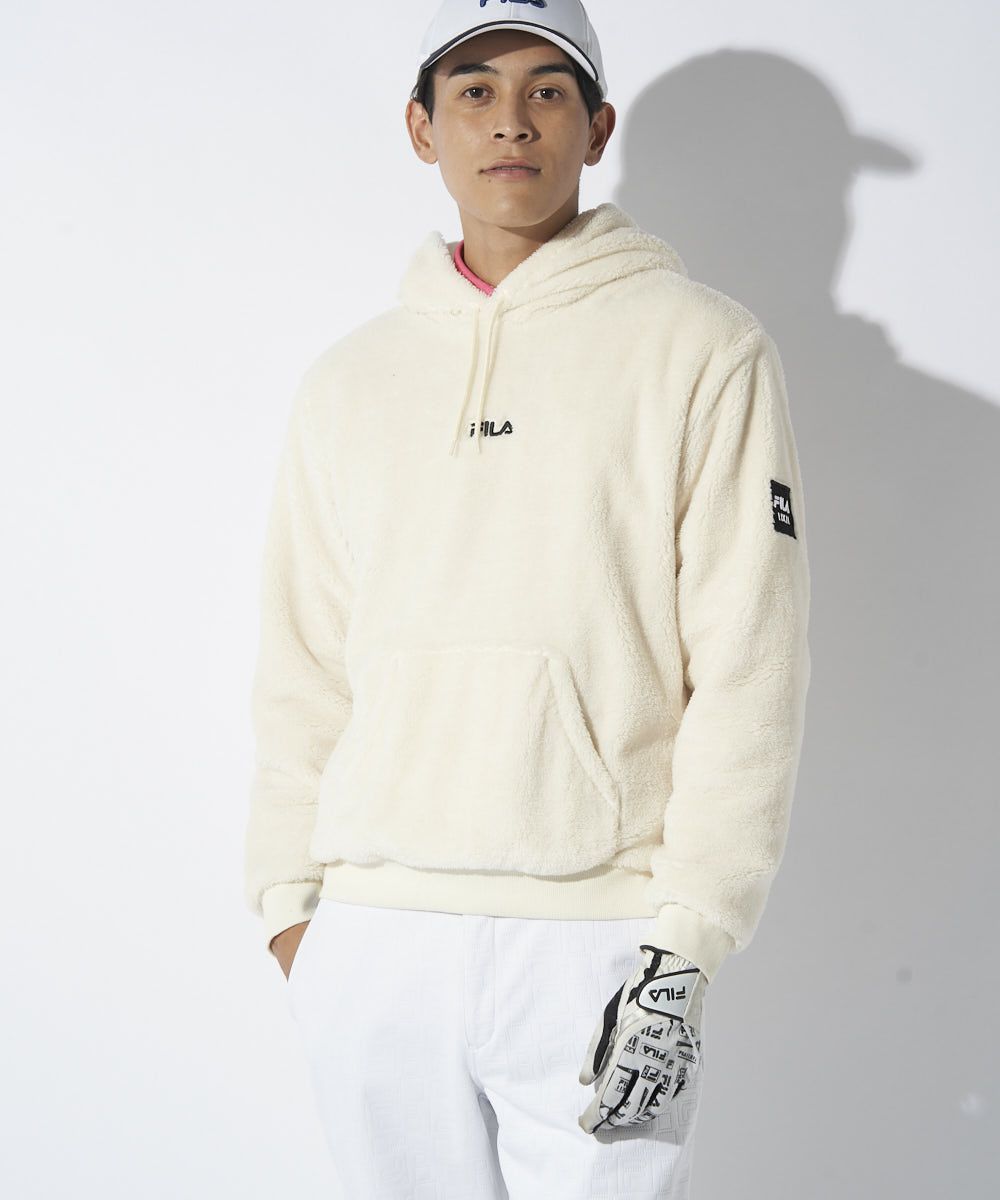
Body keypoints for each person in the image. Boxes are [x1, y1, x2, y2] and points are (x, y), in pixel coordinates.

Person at [243, 1, 812, 1195]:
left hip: (600, 941)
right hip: (372, 939)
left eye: (547, 91)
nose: (510, 121)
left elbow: (750, 659)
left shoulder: (700, 348)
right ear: (421, 128)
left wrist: (686, 940)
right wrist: (292, 908)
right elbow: (303, 659)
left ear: (597, 128)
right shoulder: (350, 381)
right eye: (474, 91)